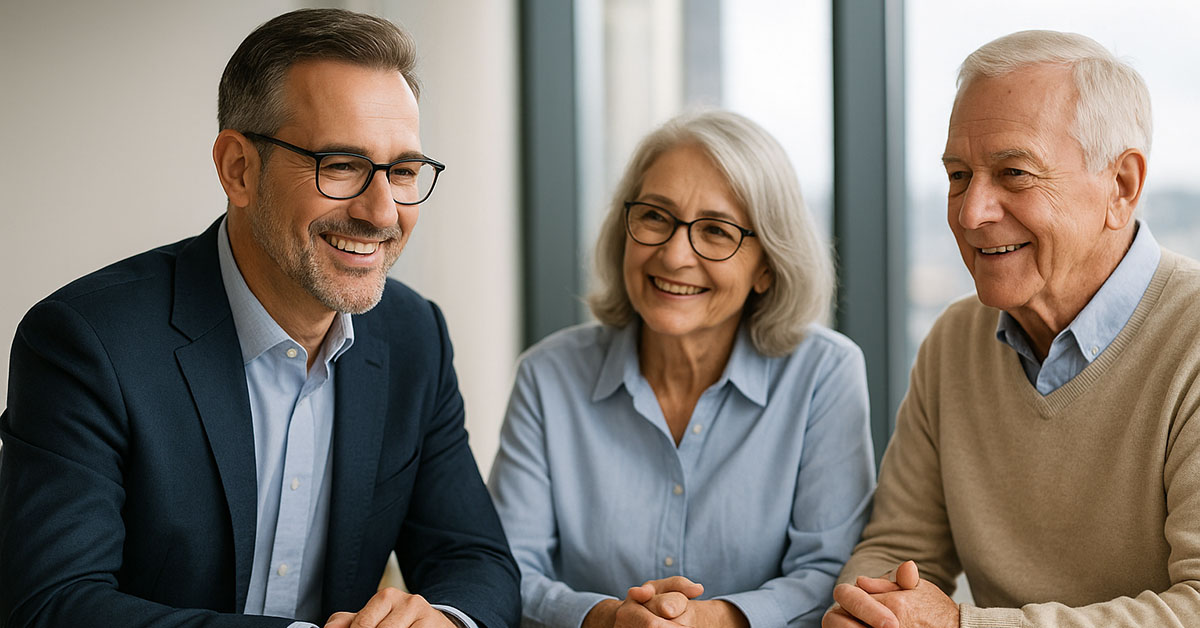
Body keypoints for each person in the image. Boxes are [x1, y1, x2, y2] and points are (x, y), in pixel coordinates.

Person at [0, 9, 519, 628]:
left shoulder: (415, 336)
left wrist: (446, 621)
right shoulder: (86, 343)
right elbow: (51, 605)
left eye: (403, 171)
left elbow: (475, 560)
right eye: (342, 165)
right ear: (238, 169)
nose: (383, 212)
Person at [824, 30, 1200, 628]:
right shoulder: (953, 341)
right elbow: (897, 549)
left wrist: (961, 625)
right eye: (957, 176)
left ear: (1121, 187)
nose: (972, 213)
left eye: (1015, 173)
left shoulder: (1192, 340)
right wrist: (868, 611)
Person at [488, 109, 876, 628]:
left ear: (766, 266)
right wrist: (606, 619)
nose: (673, 256)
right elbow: (506, 566)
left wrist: (711, 621)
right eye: (654, 216)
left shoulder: (824, 375)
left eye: (716, 231)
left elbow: (829, 569)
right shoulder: (548, 375)